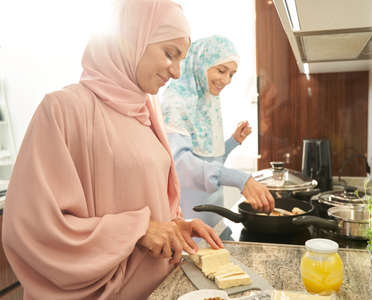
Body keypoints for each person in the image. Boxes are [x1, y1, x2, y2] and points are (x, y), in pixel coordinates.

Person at [1, 0, 223, 299]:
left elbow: (139, 196)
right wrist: (139, 229)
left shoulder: (145, 111)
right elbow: (29, 227)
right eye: (169, 54)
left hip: (157, 288)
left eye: (182, 59)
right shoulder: (64, 109)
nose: (177, 72)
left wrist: (173, 226)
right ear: (130, 39)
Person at [161, 35, 275, 228]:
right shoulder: (175, 101)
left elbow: (210, 160)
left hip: (214, 217)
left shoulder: (207, 100)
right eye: (221, 71)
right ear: (201, 64)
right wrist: (240, 179)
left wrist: (232, 141)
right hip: (189, 221)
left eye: (232, 74)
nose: (226, 80)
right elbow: (180, 165)